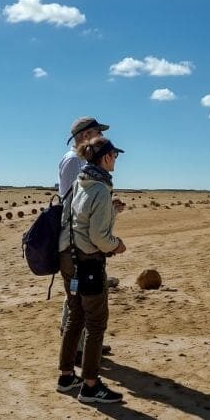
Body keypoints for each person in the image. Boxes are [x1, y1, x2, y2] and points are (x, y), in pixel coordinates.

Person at [56, 136, 126, 403]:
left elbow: (78, 221)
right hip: (88, 263)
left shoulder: (79, 182)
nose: (116, 160)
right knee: (96, 324)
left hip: (68, 259)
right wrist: (116, 245)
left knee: (75, 317)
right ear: (106, 157)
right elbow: (98, 236)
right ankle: (90, 386)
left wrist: (111, 213)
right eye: (115, 156)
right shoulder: (99, 188)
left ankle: (65, 377)